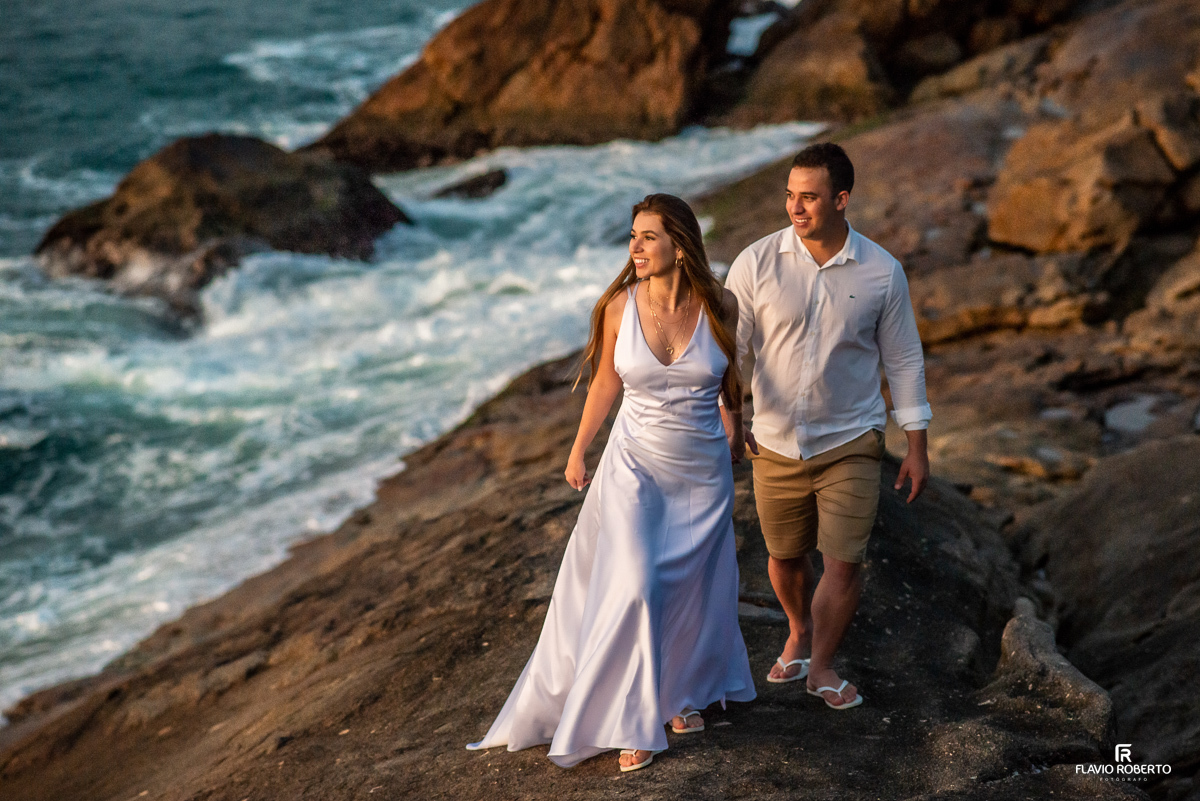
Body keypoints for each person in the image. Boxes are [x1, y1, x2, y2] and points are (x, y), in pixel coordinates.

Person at [466, 194, 756, 771]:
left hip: (701, 469)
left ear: (680, 243)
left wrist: (736, 429)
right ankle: (633, 717)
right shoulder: (619, 308)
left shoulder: (721, 303)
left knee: (688, 589)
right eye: (632, 237)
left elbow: (728, 373)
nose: (635, 248)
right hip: (634, 464)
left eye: (648, 237)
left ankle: (679, 693)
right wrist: (578, 451)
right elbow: (604, 383)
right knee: (638, 584)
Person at [722, 142, 931, 710]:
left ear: (841, 200)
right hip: (774, 441)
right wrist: (732, 418)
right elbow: (727, 351)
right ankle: (797, 628)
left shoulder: (883, 272)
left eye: (809, 197)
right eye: (790, 196)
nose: (796, 207)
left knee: (844, 559)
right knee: (785, 557)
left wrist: (916, 445)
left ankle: (820, 666)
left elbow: (904, 360)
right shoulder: (755, 263)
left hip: (851, 440)